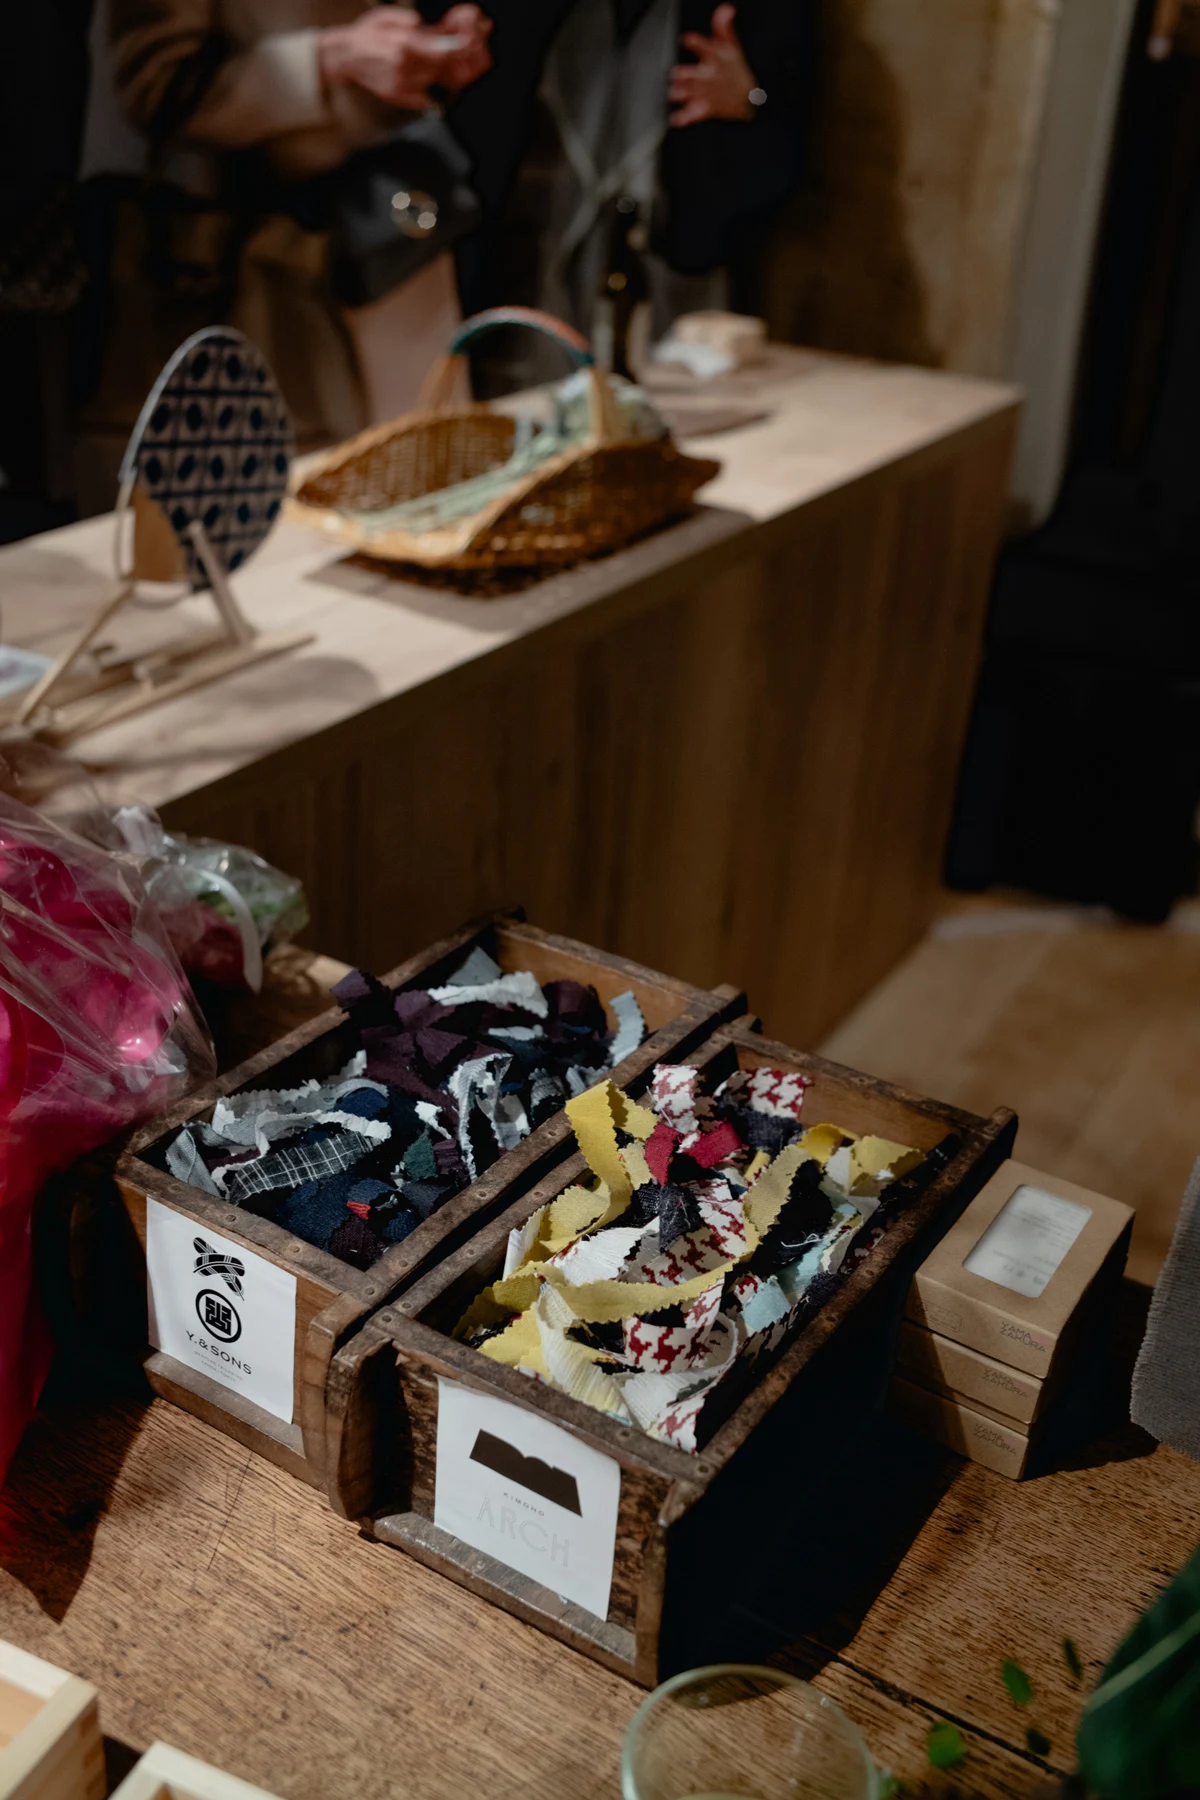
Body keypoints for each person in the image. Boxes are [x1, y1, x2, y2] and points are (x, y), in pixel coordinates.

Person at [76, 0, 492, 494]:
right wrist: (330, 58)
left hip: (391, 235)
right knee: (302, 506)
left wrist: (426, 51)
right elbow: (156, 88)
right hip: (254, 276)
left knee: (428, 487)